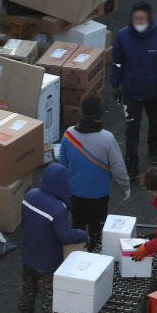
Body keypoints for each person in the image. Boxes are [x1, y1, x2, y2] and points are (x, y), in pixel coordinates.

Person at [19, 162, 88, 313]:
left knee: (28, 289)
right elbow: (65, 236)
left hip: (28, 256)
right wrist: (82, 234)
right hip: (47, 262)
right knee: (50, 298)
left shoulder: (30, 195)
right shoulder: (57, 209)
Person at [111, 1, 157, 178]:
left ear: (149, 18)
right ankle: (131, 163)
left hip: (154, 93)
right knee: (131, 128)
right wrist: (114, 86)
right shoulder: (123, 36)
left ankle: (154, 149)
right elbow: (117, 62)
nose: (138, 21)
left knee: (155, 123)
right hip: (131, 92)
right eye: (135, 18)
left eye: (142, 18)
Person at [59, 93, 131, 250]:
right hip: (98, 196)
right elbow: (118, 167)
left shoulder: (69, 134)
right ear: (100, 114)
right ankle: (94, 258)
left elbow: (62, 166)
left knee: (77, 227)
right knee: (96, 231)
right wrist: (125, 186)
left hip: (75, 194)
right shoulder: (107, 138)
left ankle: (76, 257)